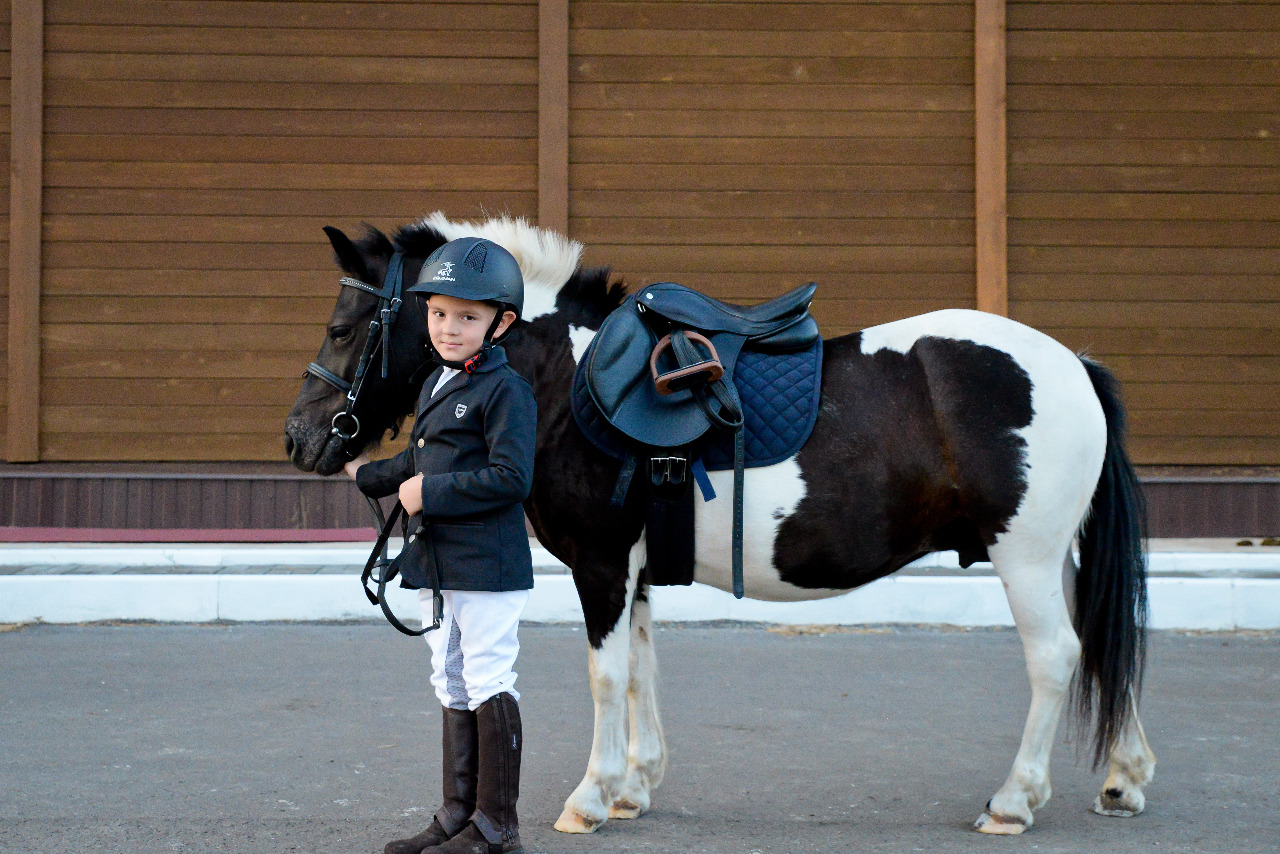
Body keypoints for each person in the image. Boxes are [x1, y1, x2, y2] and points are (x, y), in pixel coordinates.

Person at [345, 237, 536, 854]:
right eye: (438, 313)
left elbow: (512, 478)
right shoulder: (436, 381)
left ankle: (496, 826)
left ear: (501, 323)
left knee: (487, 677)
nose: (449, 328)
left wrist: (431, 493)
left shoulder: (508, 393)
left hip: (486, 562)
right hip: (439, 559)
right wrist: (365, 473)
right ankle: (458, 812)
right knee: (449, 677)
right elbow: (420, 457)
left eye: (468, 317)